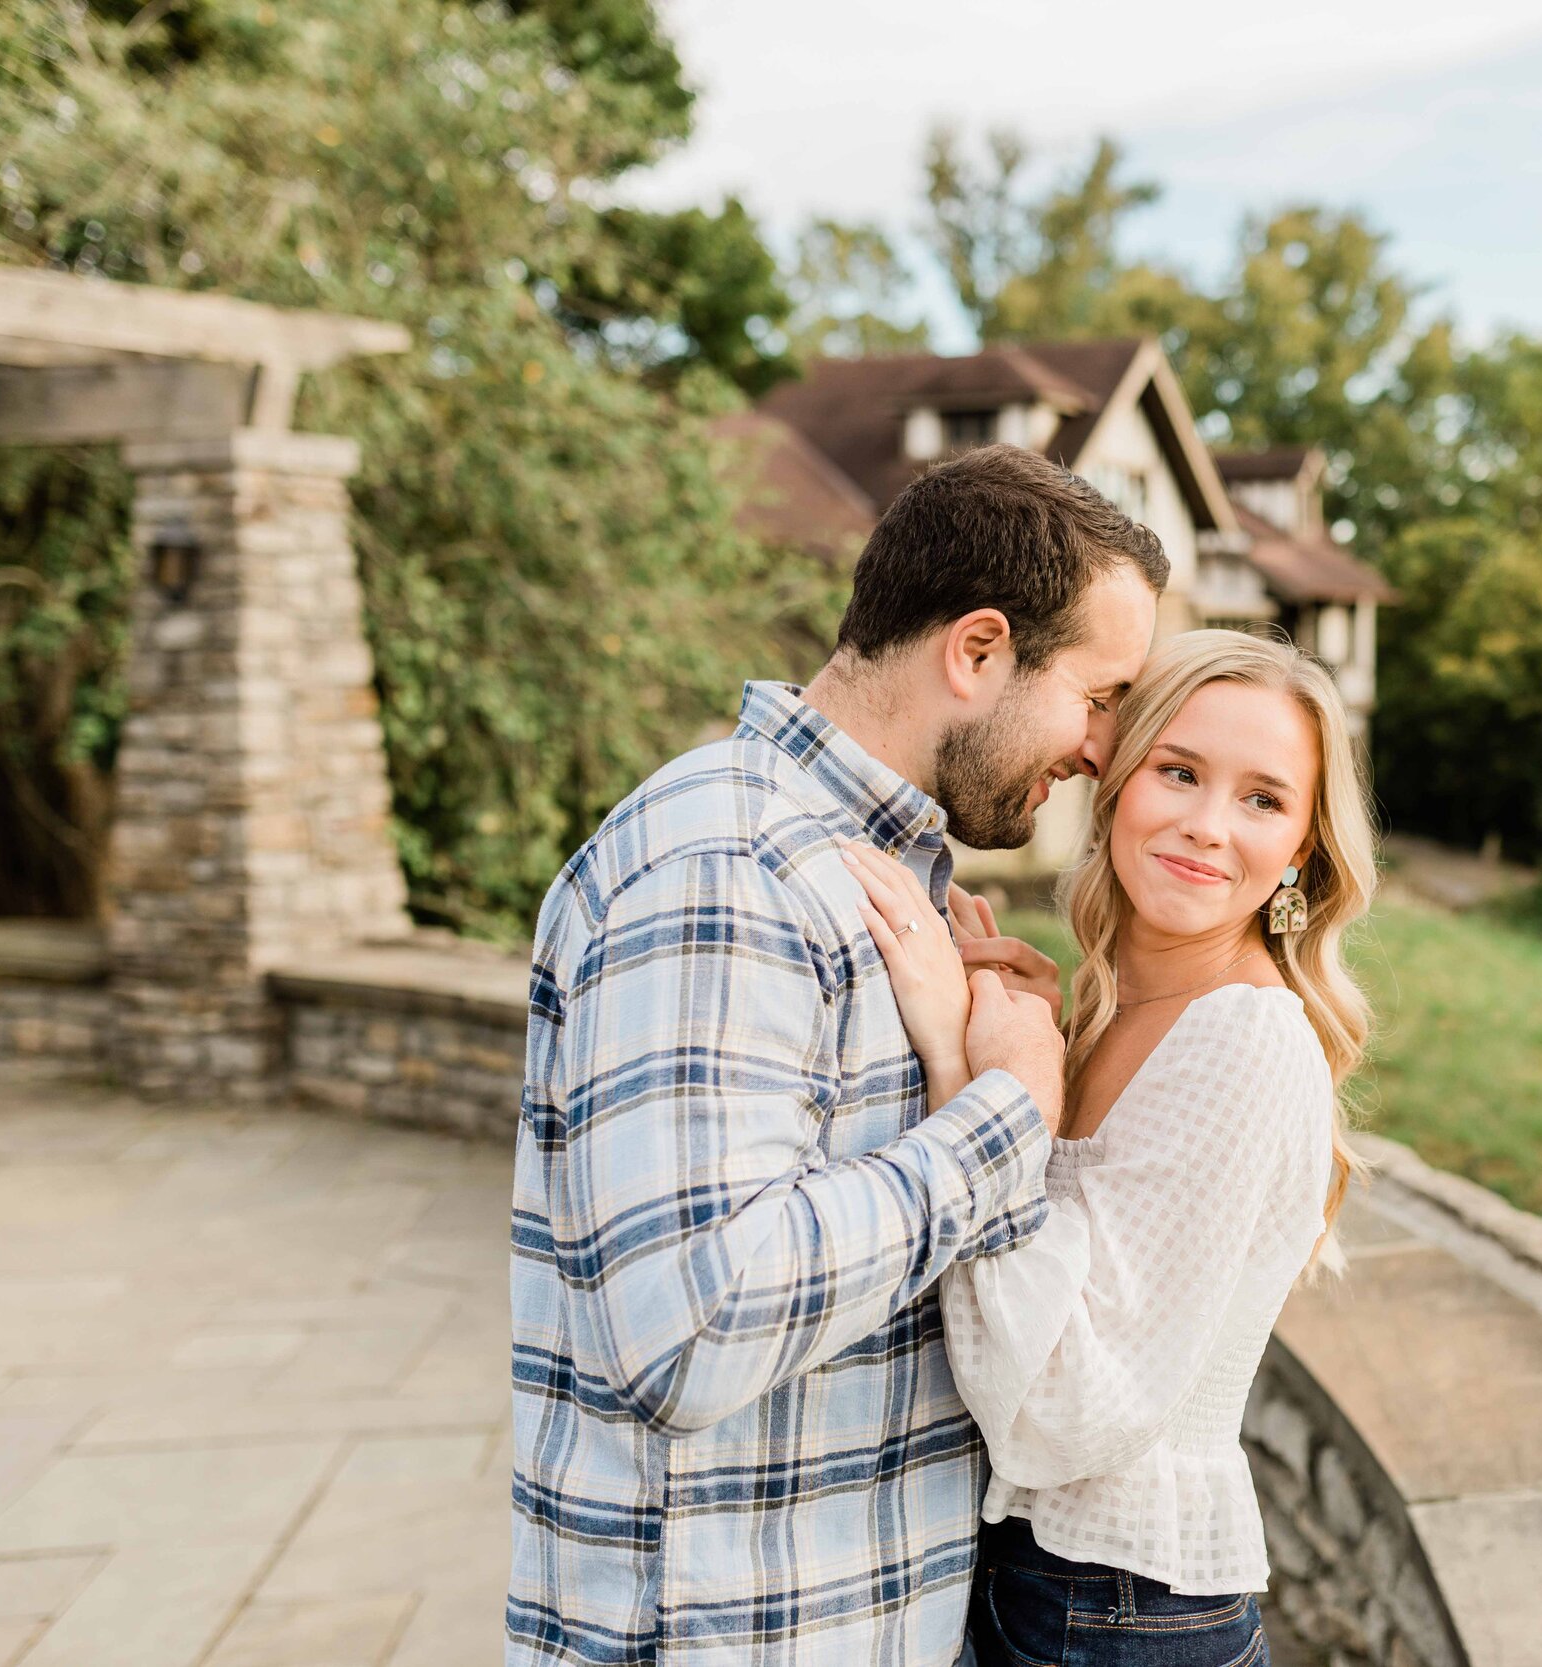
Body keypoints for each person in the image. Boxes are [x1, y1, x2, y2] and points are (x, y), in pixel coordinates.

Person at [507, 444, 1168, 1667]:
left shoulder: (874, 879)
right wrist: (1004, 1113)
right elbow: (691, 1326)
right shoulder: (728, 870)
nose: (1101, 748)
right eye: (1097, 694)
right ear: (976, 651)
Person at [841, 630, 1378, 1667]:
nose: (1207, 825)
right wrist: (1016, 1050)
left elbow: (1063, 1417)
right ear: (1117, 780)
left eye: (1263, 798)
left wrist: (977, 1087)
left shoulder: (1242, 1037)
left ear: (1303, 849)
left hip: (1118, 1611)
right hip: (1050, 1585)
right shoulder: (1109, 1013)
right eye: (1179, 771)